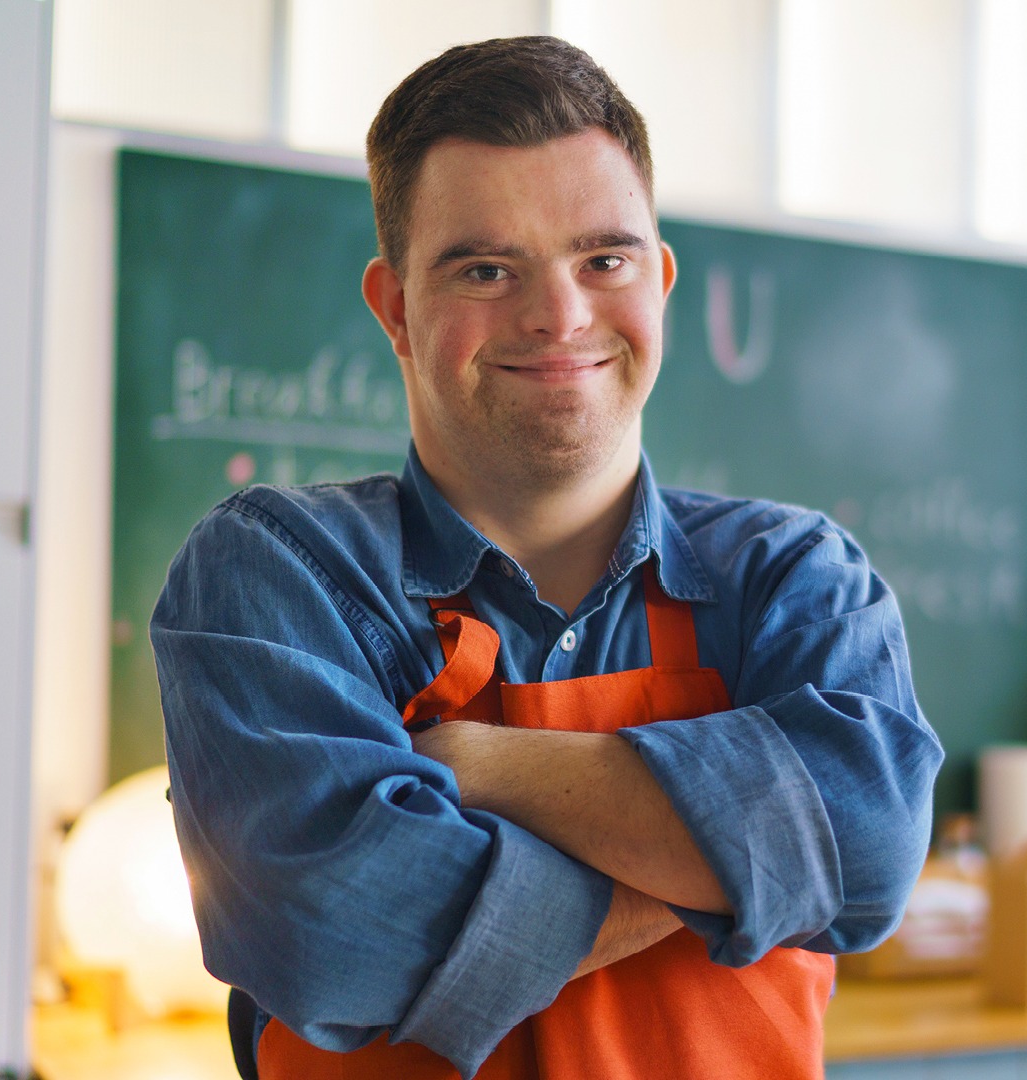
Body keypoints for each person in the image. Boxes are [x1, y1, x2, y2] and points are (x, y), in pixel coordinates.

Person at [152, 35, 943, 1080]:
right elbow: (339, 941)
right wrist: (748, 862)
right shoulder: (275, 576)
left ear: (657, 281)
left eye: (602, 259)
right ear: (395, 307)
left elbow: (872, 849)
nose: (558, 316)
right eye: (487, 267)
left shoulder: (794, 578)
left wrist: (483, 769)